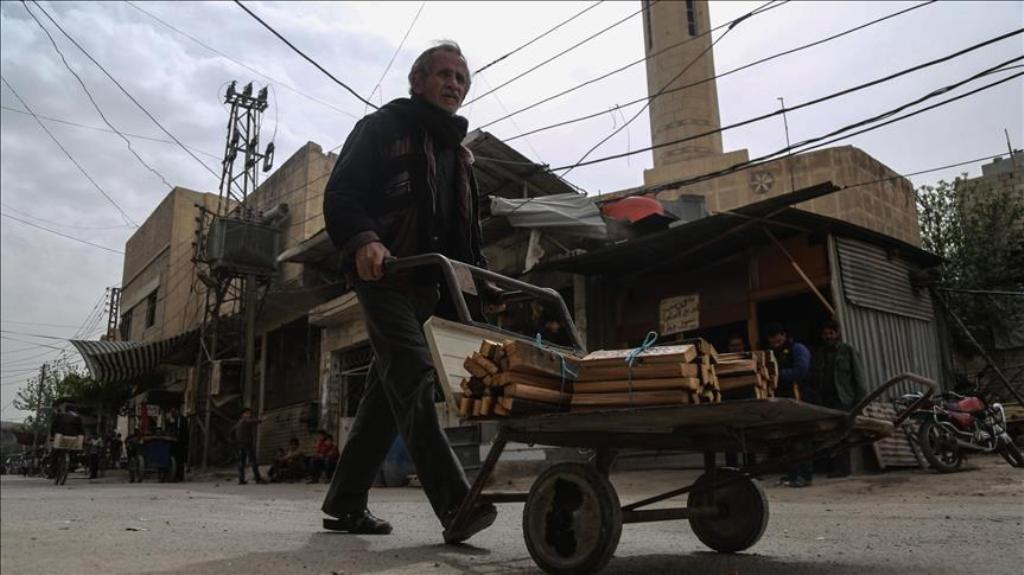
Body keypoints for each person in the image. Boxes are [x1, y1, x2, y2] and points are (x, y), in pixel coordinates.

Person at [320, 41, 497, 543]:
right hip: (384, 277)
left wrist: (481, 283)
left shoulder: (460, 156)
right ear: (418, 82)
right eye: (444, 74)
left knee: (385, 396)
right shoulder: (382, 127)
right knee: (414, 373)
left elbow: (466, 236)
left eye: (461, 79)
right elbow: (341, 194)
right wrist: (365, 240)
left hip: (429, 288)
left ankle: (345, 502)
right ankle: (456, 504)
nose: (453, 84)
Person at [810, 319, 867, 477]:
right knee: (829, 434)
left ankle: (843, 469)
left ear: (837, 333)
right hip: (825, 401)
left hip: (843, 400)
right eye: (825, 334)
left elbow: (859, 378)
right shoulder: (820, 354)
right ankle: (833, 467)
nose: (828, 336)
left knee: (842, 434)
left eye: (831, 333)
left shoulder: (847, 351)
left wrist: (859, 402)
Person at [765, 323, 815, 488]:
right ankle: (792, 475)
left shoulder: (798, 349)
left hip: (799, 399)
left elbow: (801, 370)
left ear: (784, 335)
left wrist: (775, 375)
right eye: (771, 340)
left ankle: (805, 476)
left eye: (777, 338)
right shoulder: (773, 353)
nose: (775, 342)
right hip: (782, 402)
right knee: (787, 440)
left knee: (801, 439)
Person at [231, 408, 265, 485]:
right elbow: (251, 421)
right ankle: (258, 479)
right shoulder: (245, 420)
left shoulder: (238, 423)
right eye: (247, 413)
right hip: (247, 444)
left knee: (241, 462)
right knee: (253, 461)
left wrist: (236, 441)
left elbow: (232, 432)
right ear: (243, 414)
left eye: (249, 413)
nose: (249, 415)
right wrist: (260, 420)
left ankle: (241, 479)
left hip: (240, 445)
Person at [167, 408, 189, 482]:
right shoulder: (172, 419)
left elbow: (185, 431)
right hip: (174, 442)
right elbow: (170, 428)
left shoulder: (182, 419)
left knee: (181, 460)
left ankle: (180, 476)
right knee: (174, 459)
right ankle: (174, 475)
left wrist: (185, 442)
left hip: (181, 442)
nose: (173, 413)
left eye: (174, 412)